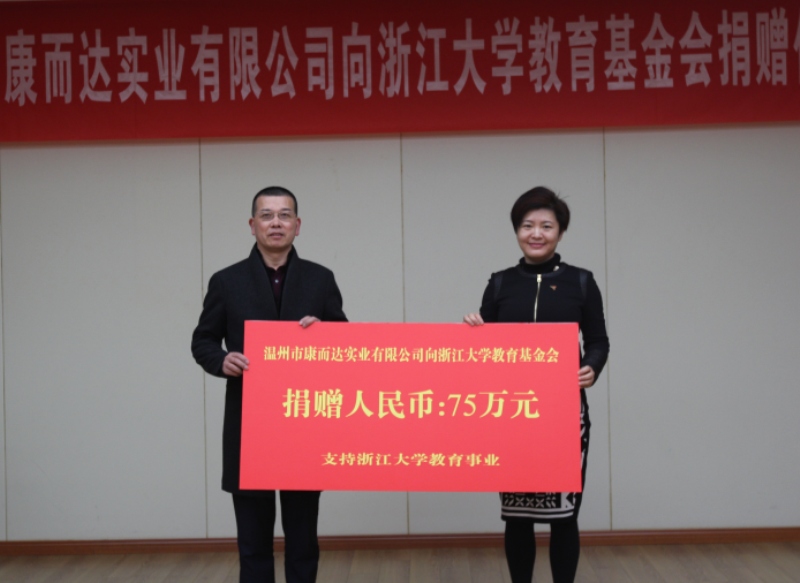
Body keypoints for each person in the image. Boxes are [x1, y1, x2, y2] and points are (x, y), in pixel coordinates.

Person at [192, 186, 347, 583]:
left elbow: (346, 344)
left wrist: (325, 335)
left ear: (297, 225)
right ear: (252, 225)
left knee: (303, 540)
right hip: (250, 424)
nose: (276, 223)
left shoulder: (320, 278)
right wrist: (221, 360)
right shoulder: (226, 281)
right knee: (253, 542)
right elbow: (203, 340)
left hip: (303, 423)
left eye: (284, 215)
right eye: (266, 215)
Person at [463, 186, 609, 583]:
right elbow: (483, 351)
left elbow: (598, 340)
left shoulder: (581, 281)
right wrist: (473, 332)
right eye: (527, 225)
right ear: (516, 231)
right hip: (513, 415)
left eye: (547, 225)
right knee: (517, 517)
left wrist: (591, 367)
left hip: (564, 416)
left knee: (565, 516)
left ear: (560, 232)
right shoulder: (500, 283)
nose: (536, 233)